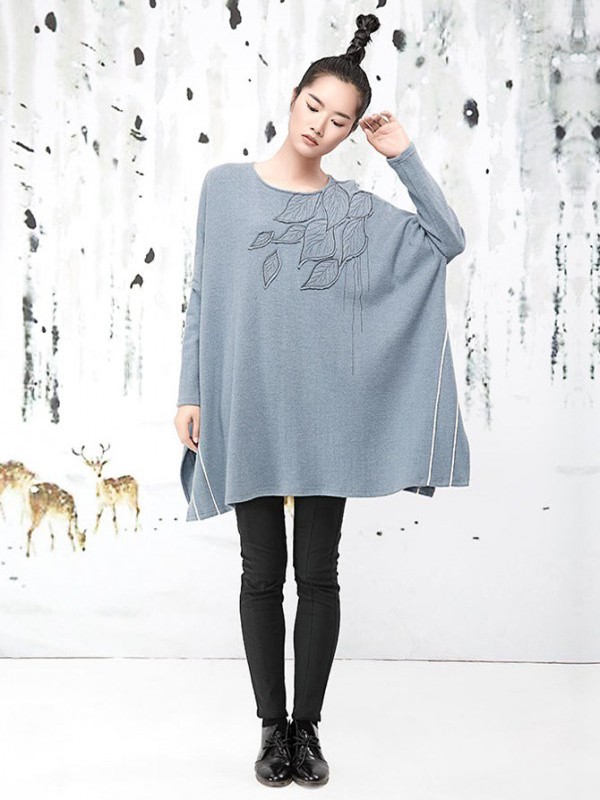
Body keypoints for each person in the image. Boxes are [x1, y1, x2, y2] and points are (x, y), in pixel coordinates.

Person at [174, 11, 469, 789]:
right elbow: (202, 295)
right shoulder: (224, 189)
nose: (320, 126)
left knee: (319, 574)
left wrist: (402, 157)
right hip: (247, 407)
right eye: (314, 106)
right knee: (259, 574)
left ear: (349, 131)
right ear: (294, 97)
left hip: (325, 416)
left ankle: (307, 730)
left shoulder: (354, 211)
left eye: (339, 120)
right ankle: (270, 729)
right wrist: (190, 391)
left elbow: (447, 241)